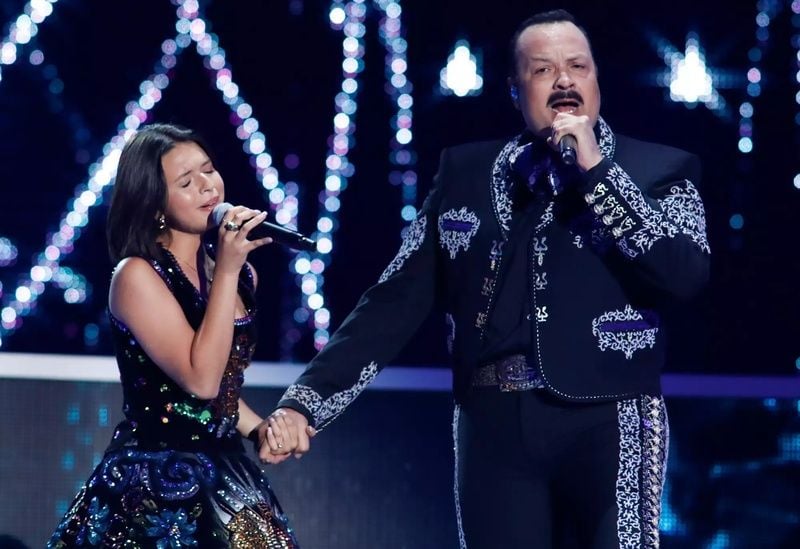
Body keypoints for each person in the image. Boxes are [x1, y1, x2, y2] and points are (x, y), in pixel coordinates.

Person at [268, 9, 710, 549]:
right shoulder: (465, 174)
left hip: (612, 417)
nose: (565, 80)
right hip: (493, 425)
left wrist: (598, 176)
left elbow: (683, 275)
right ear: (515, 90)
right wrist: (306, 402)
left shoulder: (663, 169)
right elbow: (394, 300)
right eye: (543, 70)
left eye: (578, 66)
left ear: (597, 80)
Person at [49, 123, 310, 548]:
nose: (208, 187)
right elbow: (199, 378)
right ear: (155, 205)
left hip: (228, 471)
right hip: (155, 481)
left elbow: (220, 388)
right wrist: (225, 271)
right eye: (187, 182)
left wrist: (259, 430)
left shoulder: (240, 274)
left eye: (209, 170)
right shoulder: (136, 276)